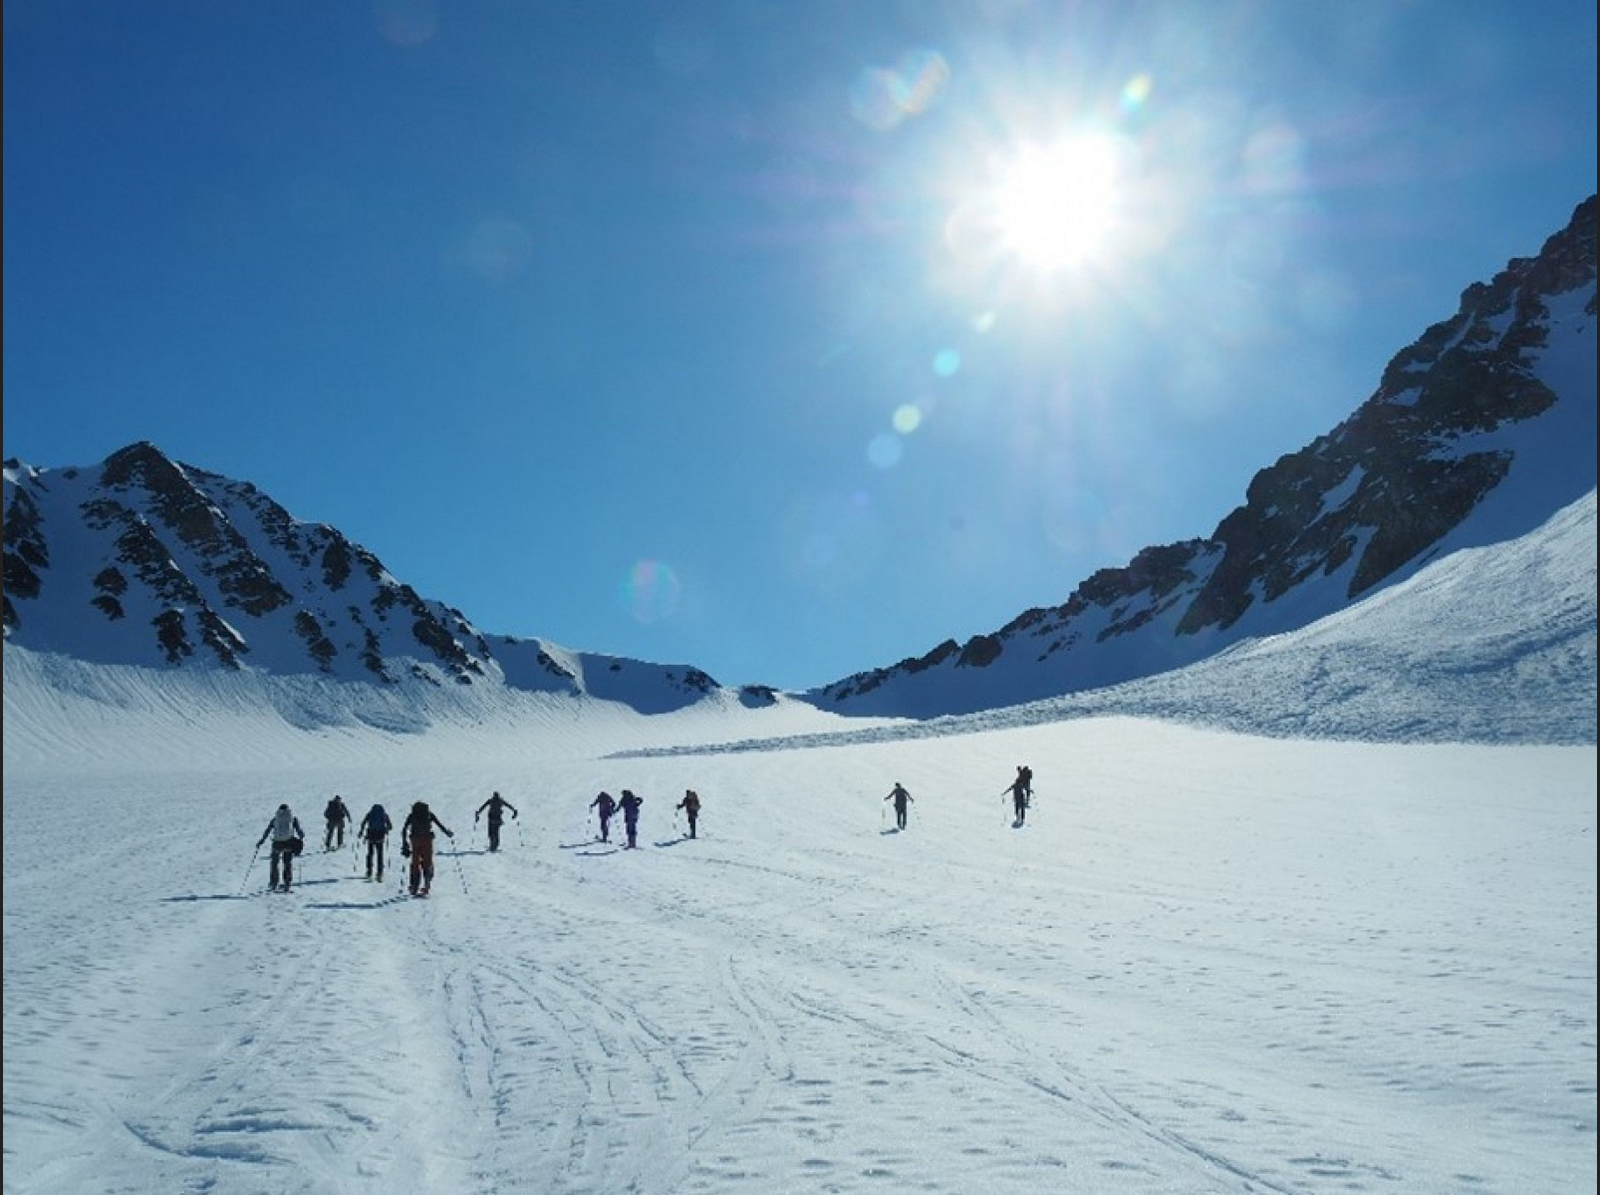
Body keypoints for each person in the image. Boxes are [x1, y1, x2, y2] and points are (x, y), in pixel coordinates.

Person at [400, 800, 454, 896]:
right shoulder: (429, 814)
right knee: (427, 862)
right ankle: (427, 885)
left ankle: (414, 887)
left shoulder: (412, 815)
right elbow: (439, 825)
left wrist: (404, 843)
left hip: (415, 840)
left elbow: (404, 829)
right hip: (427, 840)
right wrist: (448, 833)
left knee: (415, 863)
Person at [256, 803, 305, 892]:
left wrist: (262, 841)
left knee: (274, 864)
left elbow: (267, 830)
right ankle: (287, 884)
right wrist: (300, 838)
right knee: (287, 864)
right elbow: (300, 832)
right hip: (288, 843)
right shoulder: (292, 819)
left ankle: (274, 883)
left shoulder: (276, 819)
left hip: (277, 844)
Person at [359, 802, 392, 881]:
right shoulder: (384, 815)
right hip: (380, 837)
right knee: (380, 855)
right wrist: (386, 829)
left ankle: (369, 871)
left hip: (371, 836)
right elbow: (390, 826)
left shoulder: (370, 814)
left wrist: (361, 832)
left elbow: (363, 823)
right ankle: (379, 873)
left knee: (370, 854)